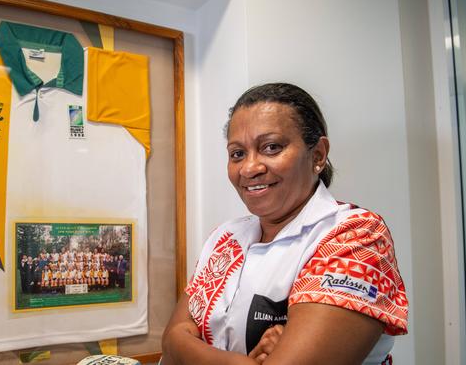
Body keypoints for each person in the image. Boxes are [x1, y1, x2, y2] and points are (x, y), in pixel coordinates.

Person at [161, 83, 408, 365]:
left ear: (317, 155)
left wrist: (186, 346)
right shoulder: (224, 238)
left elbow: (178, 343)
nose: (250, 168)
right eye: (237, 153)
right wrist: (235, 362)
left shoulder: (356, 236)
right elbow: (169, 342)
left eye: (271, 147)